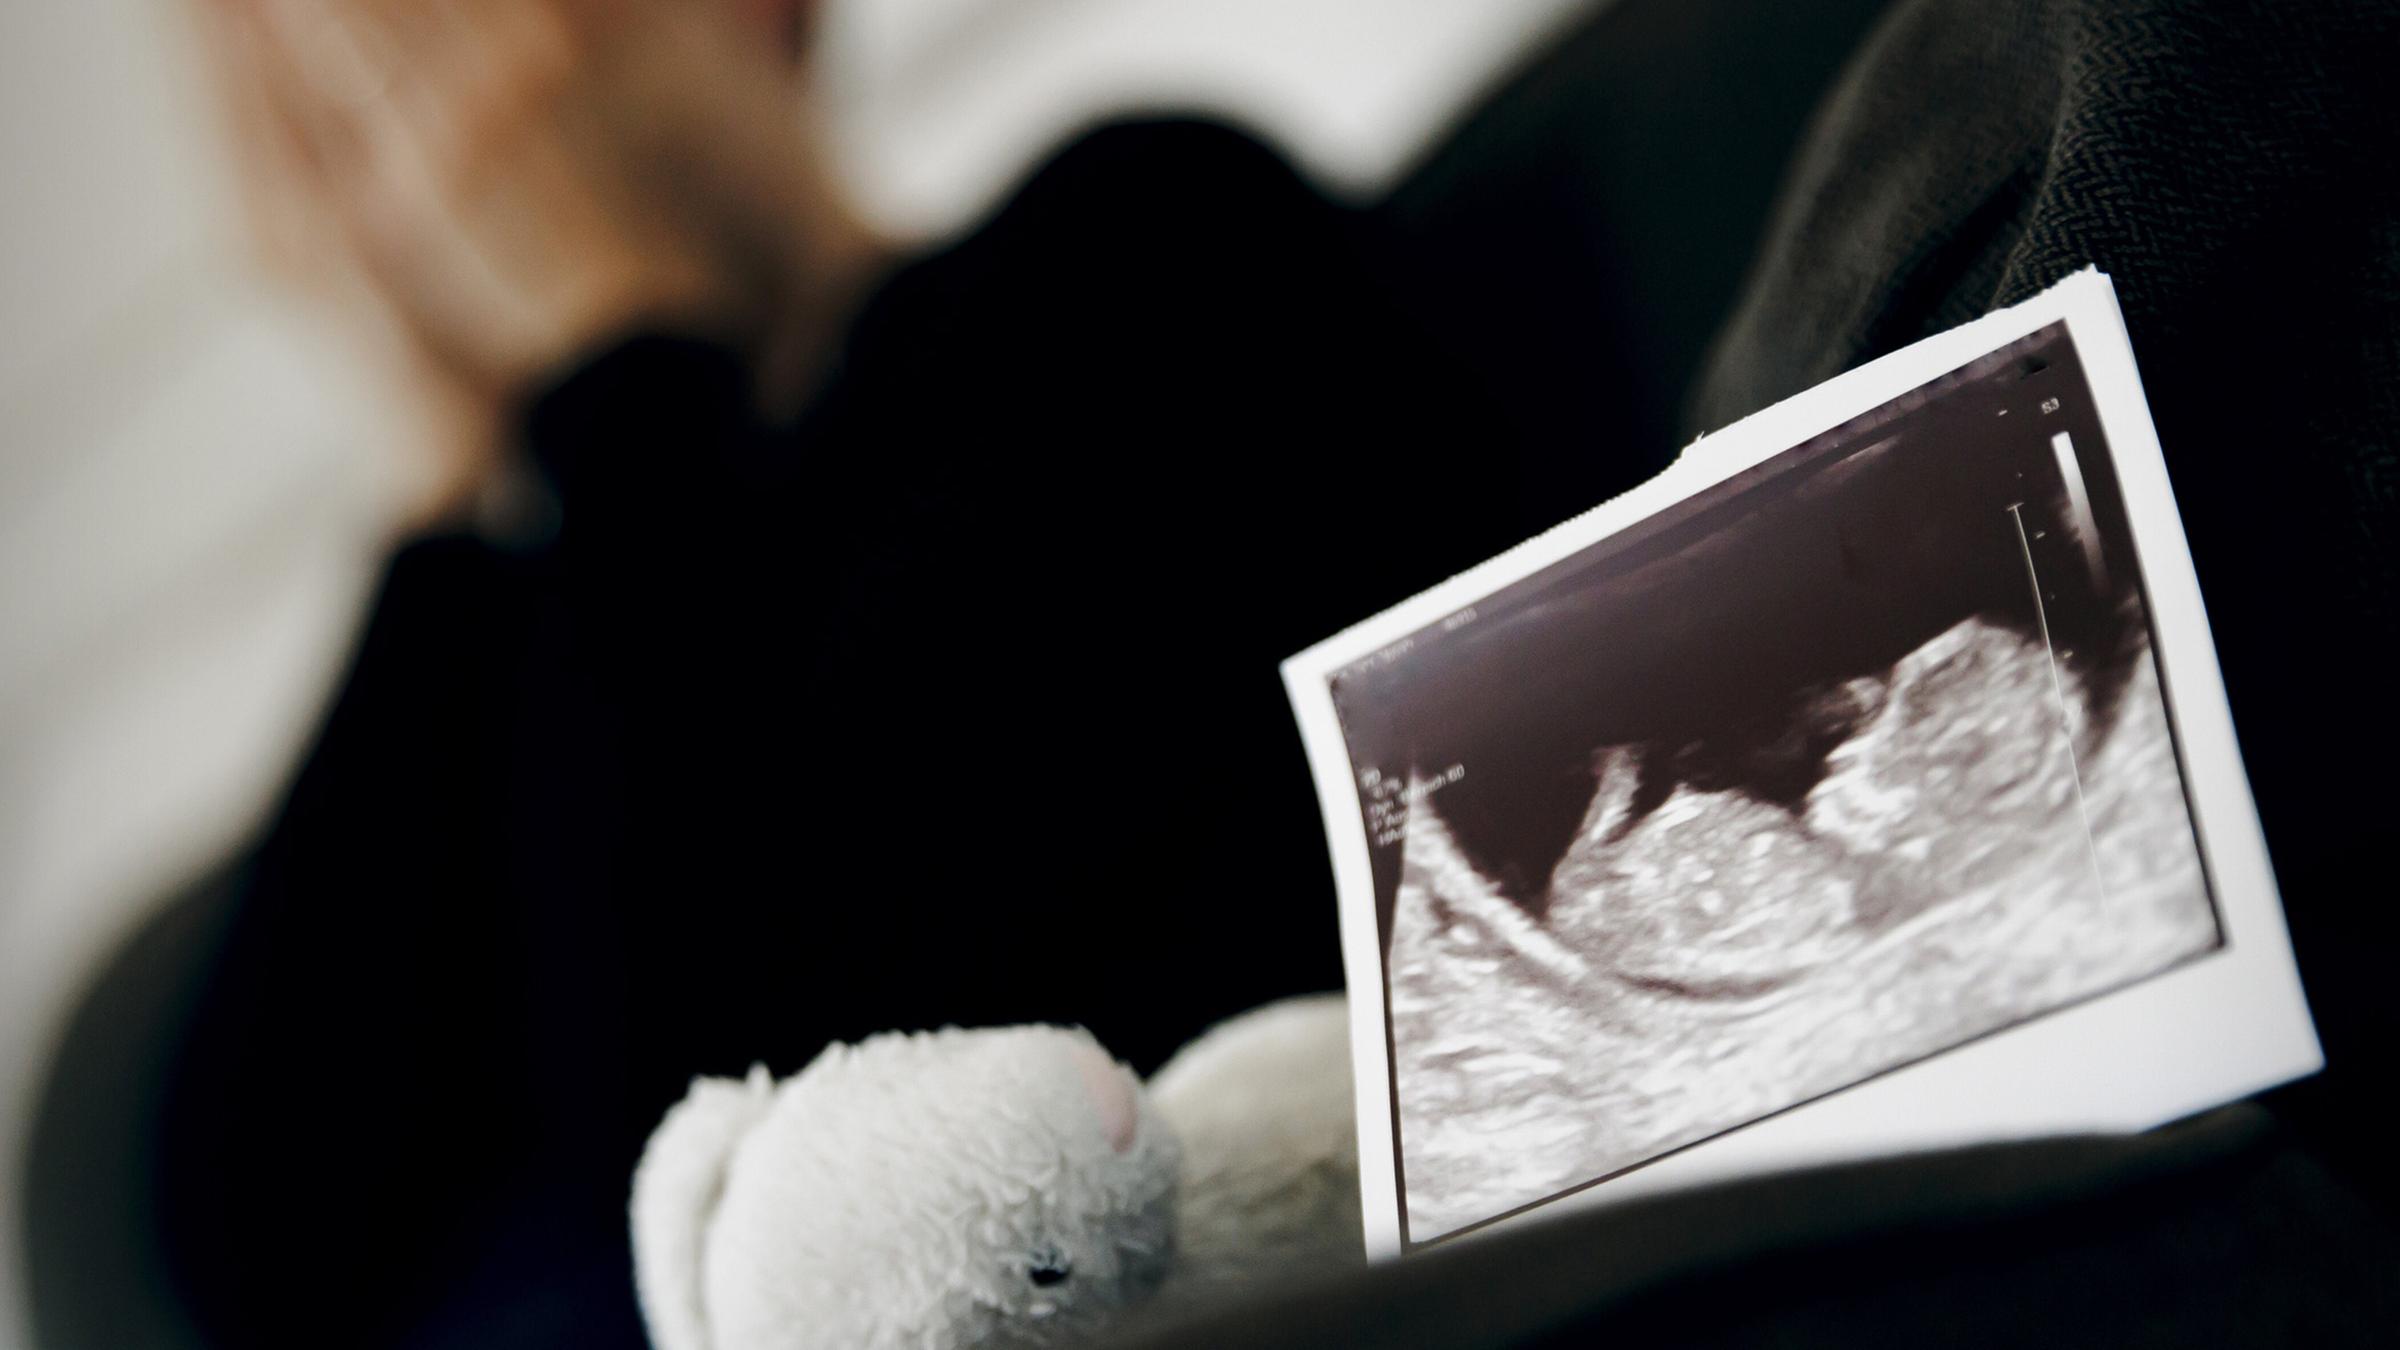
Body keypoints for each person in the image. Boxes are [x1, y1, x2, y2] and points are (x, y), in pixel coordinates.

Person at [93, 0, 2400, 1345]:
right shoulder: (515, 626)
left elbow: (793, 1124)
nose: (424, 137)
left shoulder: (1124, 260)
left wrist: (623, 343)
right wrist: (459, 462)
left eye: (440, 51)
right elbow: (227, 1235)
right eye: (331, 107)